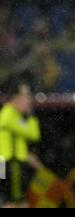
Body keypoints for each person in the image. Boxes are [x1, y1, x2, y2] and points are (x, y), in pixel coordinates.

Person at [0, 80, 41, 208]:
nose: (28, 100)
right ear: (15, 98)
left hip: (11, 163)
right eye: (25, 96)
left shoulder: (15, 116)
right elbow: (33, 134)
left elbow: (34, 135)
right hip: (11, 163)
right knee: (13, 202)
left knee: (17, 200)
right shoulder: (8, 115)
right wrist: (30, 116)